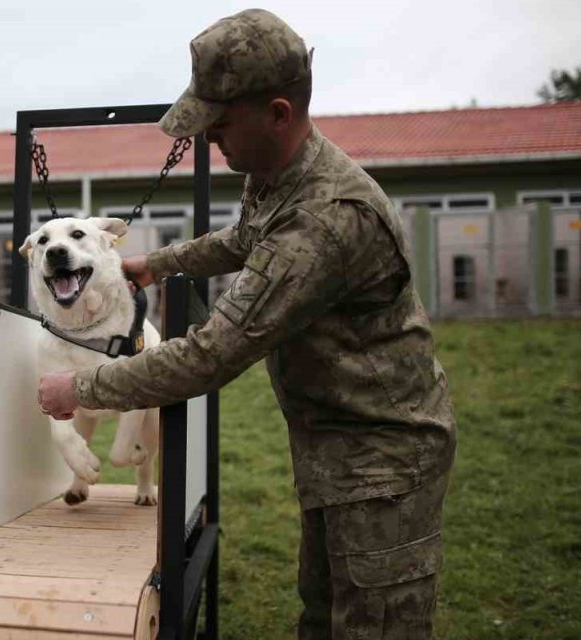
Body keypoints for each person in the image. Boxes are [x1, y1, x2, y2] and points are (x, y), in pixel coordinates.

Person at [36, 8, 456, 640]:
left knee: (371, 627)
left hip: (381, 457)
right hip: (333, 440)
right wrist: (156, 263)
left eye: (221, 123)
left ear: (278, 113)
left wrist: (80, 389)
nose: (210, 139)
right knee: (324, 614)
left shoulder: (323, 220)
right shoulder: (280, 174)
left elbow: (210, 355)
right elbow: (243, 238)